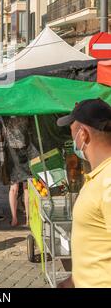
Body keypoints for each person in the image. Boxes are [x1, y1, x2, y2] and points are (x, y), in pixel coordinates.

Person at [57, 99, 111, 288]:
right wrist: (75, 279)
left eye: (71, 133)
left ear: (84, 135)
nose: (72, 141)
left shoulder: (108, 181)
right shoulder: (98, 176)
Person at [3, 116, 37, 227]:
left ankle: (15, 219)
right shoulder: (25, 112)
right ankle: (27, 219)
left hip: (14, 152)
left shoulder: (5, 113)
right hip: (24, 150)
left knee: (15, 188)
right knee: (25, 188)